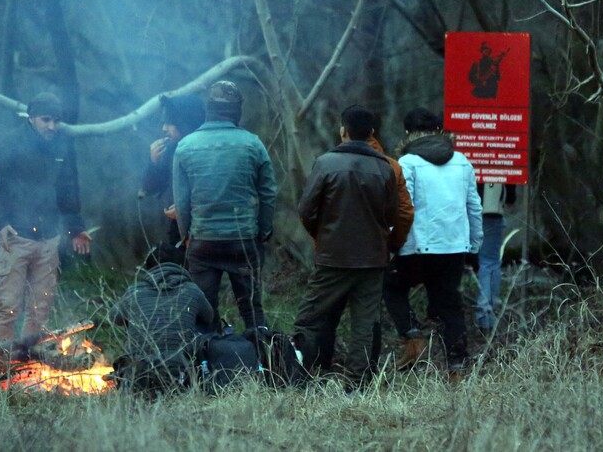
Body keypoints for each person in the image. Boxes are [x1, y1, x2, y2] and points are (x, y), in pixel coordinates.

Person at [292, 104, 397, 384]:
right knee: (365, 324)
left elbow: (305, 210)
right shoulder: (384, 167)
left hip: (333, 256)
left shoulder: (326, 163)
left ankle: (299, 375)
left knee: (309, 319)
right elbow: (391, 216)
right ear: (371, 132)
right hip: (373, 259)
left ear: (343, 131)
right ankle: (357, 383)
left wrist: (322, 236)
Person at [0, 92, 92, 344]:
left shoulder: (61, 147)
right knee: (8, 305)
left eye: (56, 120)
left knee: (40, 307)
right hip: (16, 237)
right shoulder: (10, 143)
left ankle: (30, 359)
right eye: (46, 119)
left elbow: (67, 190)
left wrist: (76, 228)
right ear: (31, 118)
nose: (51, 126)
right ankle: (1, 359)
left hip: (49, 239)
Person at [172, 80, 277, 331]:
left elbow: (181, 201)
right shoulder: (253, 144)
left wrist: (186, 236)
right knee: (251, 310)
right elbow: (268, 193)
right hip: (243, 240)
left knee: (204, 313)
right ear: (237, 110)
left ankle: (208, 355)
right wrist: (263, 231)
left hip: (203, 242)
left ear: (208, 109)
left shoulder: (185, 146)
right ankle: (262, 353)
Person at [383, 108, 483, 370]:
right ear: (440, 131)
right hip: (453, 249)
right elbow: (474, 207)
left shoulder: (407, 163)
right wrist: (474, 247)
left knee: (390, 286)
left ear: (407, 133)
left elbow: (403, 208)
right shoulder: (462, 161)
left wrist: (392, 243)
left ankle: (413, 338)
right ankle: (457, 369)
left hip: (416, 249)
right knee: (449, 307)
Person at [109, 250, 213, 391]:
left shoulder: (135, 291)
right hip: (180, 371)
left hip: (138, 371)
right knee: (200, 321)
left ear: (148, 268)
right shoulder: (192, 290)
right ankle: (202, 372)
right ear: (183, 266)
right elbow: (209, 317)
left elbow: (114, 318)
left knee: (128, 317)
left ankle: (136, 367)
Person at [140, 94, 206, 258]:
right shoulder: (171, 150)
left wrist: (186, 209)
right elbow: (148, 189)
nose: (164, 128)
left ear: (184, 122)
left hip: (205, 231)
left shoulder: (207, 151)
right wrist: (153, 162)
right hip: (177, 230)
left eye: (169, 123)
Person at [474, 182, 516, 335]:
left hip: (462, 212)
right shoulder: (501, 166)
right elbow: (510, 198)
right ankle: (487, 318)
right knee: (489, 263)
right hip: (491, 213)